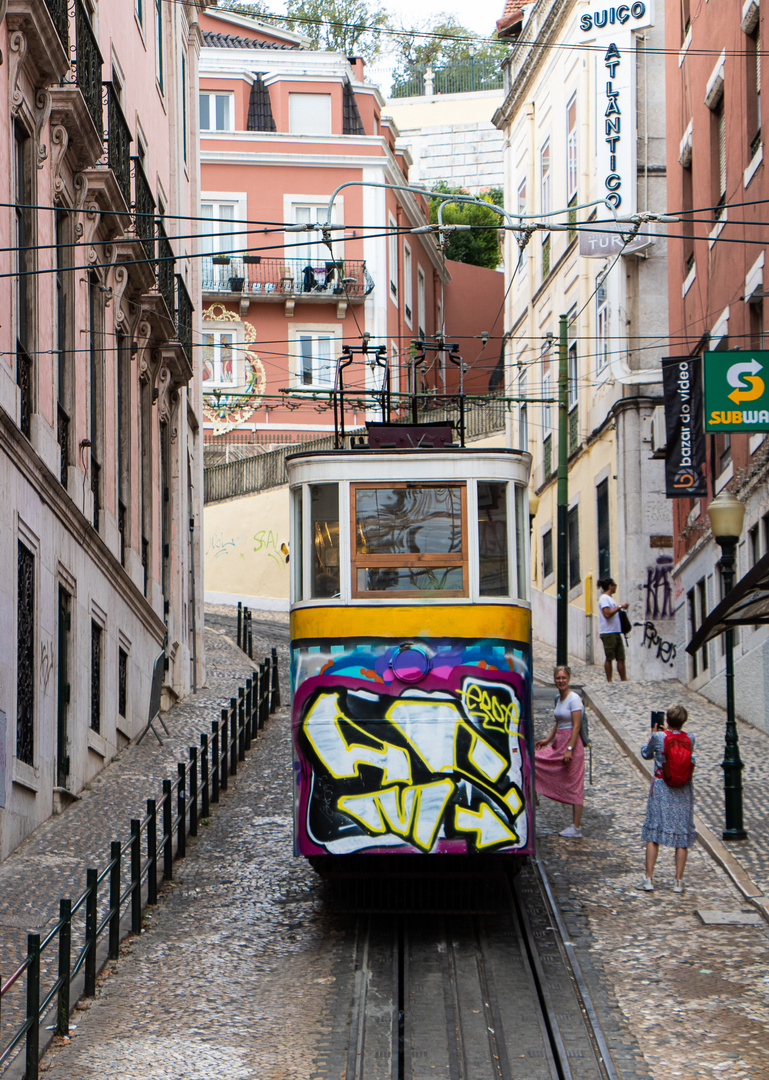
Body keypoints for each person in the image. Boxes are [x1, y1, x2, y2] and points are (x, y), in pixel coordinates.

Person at [639, 704, 695, 893]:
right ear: (683, 721)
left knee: (654, 834)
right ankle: (678, 881)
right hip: (683, 791)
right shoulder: (690, 738)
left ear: (667, 720)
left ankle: (649, 879)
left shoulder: (658, 737)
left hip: (662, 788)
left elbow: (646, 753)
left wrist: (653, 734)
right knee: (681, 837)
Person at [534, 665, 585, 838]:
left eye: (563, 678)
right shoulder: (559, 698)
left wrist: (570, 749)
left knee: (575, 785)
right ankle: (534, 795)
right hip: (558, 743)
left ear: (568, 678)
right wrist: (547, 740)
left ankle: (576, 827)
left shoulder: (574, 699)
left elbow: (576, 726)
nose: (561, 681)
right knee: (533, 759)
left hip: (571, 745)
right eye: (558, 678)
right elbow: (558, 722)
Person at [597, 577, 629, 682]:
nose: (616, 587)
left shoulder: (611, 599)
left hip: (616, 631)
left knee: (621, 657)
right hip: (608, 632)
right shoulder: (604, 599)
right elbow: (607, 614)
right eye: (614, 585)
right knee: (609, 657)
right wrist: (620, 607)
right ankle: (609, 680)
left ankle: (623, 680)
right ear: (610, 586)